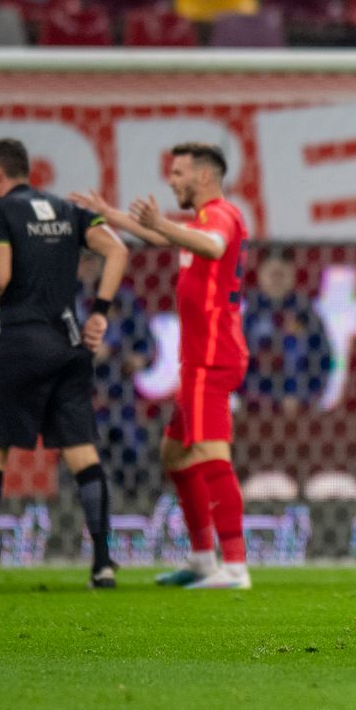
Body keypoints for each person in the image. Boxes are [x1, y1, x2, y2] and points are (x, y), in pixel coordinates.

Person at [0, 138, 128, 590]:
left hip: (22, 342)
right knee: (81, 452)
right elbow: (118, 251)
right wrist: (99, 310)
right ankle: (103, 563)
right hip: (69, 341)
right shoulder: (65, 209)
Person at [73, 142, 252, 590]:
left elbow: (211, 247)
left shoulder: (220, 216)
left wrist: (161, 225)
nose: (171, 181)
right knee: (173, 453)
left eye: (178, 173)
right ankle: (201, 559)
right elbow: (162, 237)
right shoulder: (198, 222)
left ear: (205, 177)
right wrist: (110, 214)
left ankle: (234, 566)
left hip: (212, 357)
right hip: (197, 359)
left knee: (212, 453)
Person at [242, 249, 332, 415]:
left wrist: (305, 396)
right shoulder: (249, 314)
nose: (277, 280)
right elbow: (235, 363)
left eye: (282, 274)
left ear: (292, 275)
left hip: (299, 405)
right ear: (261, 274)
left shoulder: (305, 312)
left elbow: (324, 358)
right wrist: (254, 398)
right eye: (272, 274)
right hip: (255, 407)